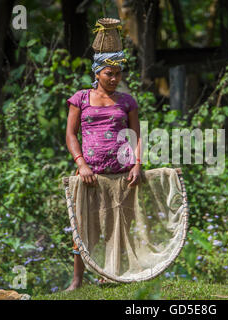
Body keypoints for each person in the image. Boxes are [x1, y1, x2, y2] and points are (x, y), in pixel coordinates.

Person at [64, 51, 142, 291]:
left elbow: (137, 135)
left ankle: (110, 274)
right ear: (96, 73)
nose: (114, 78)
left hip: (121, 176)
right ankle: (77, 280)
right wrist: (81, 164)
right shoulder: (81, 99)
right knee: (84, 227)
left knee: (117, 226)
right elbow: (70, 134)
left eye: (118, 74)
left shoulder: (127, 101)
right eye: (109, 73)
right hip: (90, 177)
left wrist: (137, 163)